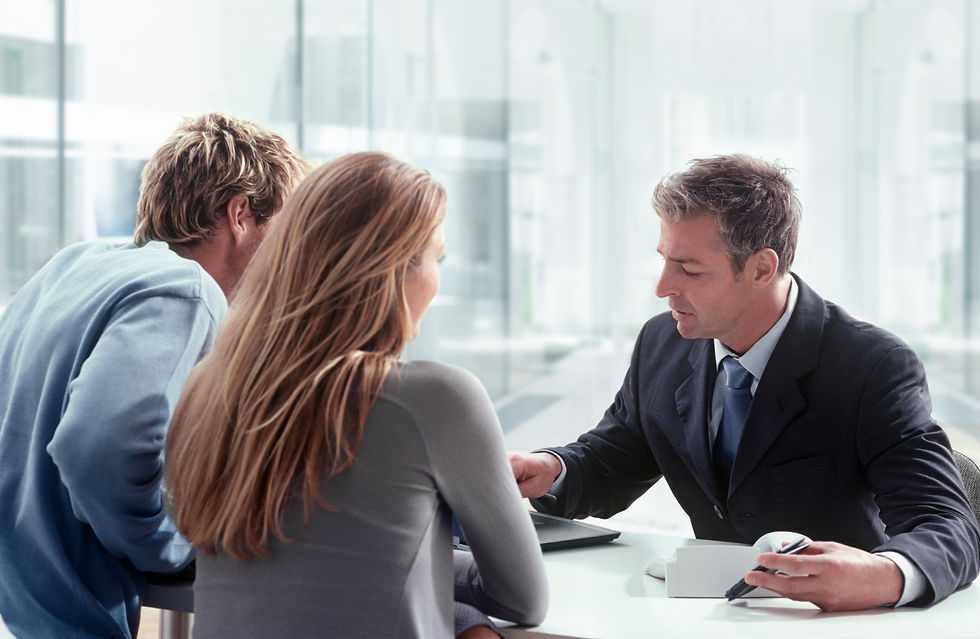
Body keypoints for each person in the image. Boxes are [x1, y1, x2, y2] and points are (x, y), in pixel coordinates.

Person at [511, 153, 980, 612]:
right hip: (710, 613)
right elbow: (616, 456)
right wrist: (551, 467)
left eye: (689, 270)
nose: (662, 287)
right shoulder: (664, 341)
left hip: (833, 622)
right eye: (665, 261)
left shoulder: (871, 365)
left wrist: (885, 574)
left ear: (761, 268)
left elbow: (946, 523)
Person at [164, 151, 548, 638]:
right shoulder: (434, 399)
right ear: (393, 270)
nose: (437, 279)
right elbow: (522, 598)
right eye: (438, 258)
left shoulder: (206, 389)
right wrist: (436, 575)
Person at [0, 112, 309, 639]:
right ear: (240, 215)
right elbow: (96, 450)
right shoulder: (185, 290)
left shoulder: (74, 266)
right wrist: (169, 547)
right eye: (283, 231)